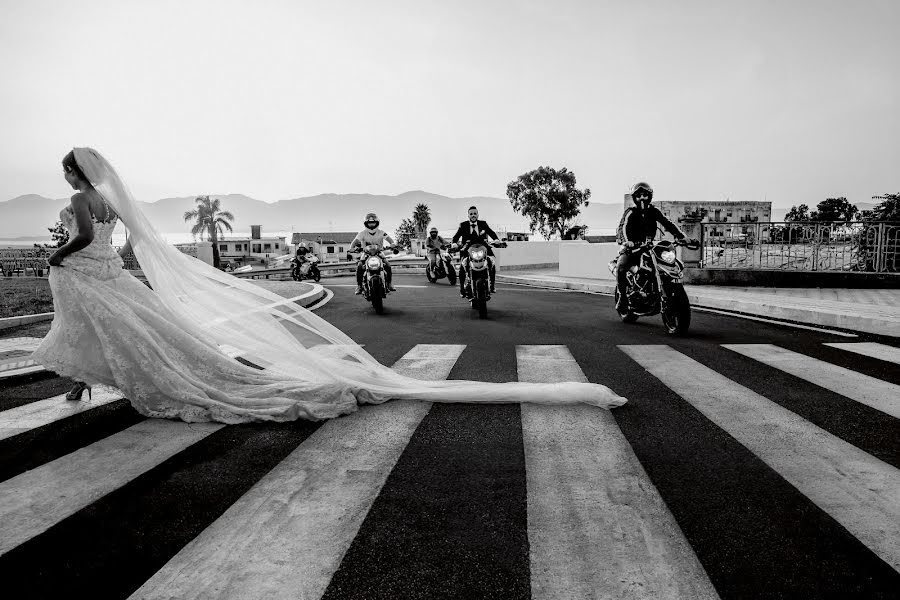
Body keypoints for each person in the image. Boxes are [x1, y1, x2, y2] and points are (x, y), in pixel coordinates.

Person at [31, 148, 625, 424]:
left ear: (73, 174)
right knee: (126, 330)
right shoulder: (112, 204)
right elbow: (127, 246)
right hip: (109, 274)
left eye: (65, 171)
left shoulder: (81, 202)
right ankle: (85, 385)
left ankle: (82, 386)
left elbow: (81, 238)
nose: (65, 178)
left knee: (101, 329)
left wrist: (55, 253)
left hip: (85, 272)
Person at [615, 182, 686, 312]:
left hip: (648, 247)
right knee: (621, 266)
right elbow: (622, 227)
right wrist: (627, 242)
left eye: (645, 195)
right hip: (632, 248)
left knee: (664, 262)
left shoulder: (654, 212)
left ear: (650, 196)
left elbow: (667, 223)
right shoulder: (630, 212)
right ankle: (623, 298)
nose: (642, 198)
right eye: (639, 196)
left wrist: (681, 236)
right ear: (634, 198)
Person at [452, 206, 500, 298]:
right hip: (468, 250)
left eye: (475, 213)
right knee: (462, 266)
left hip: (483, 249)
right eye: (471, 214)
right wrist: (454, 243)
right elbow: (455, 237)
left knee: (491, 262)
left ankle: (492, 285)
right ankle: (462, 288)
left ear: (478, 214)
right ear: (468, 215)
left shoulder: (483, 224)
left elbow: (491, 232)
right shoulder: (463, 225)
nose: (473, 215)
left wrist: (496, 239)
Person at [349, 213, 397, 294]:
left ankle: (389, 284)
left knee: (388, 266)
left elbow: (389, 239)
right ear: (366, 224)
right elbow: (355, 241)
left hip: (379, 252)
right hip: (366, 253)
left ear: (377, 223)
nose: (371, 225)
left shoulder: (381, 232)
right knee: (360, 267)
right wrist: (352, 247)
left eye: (373, 223)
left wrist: (392, 244)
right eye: (369, 223)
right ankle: (359, 286)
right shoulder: (362, 233)